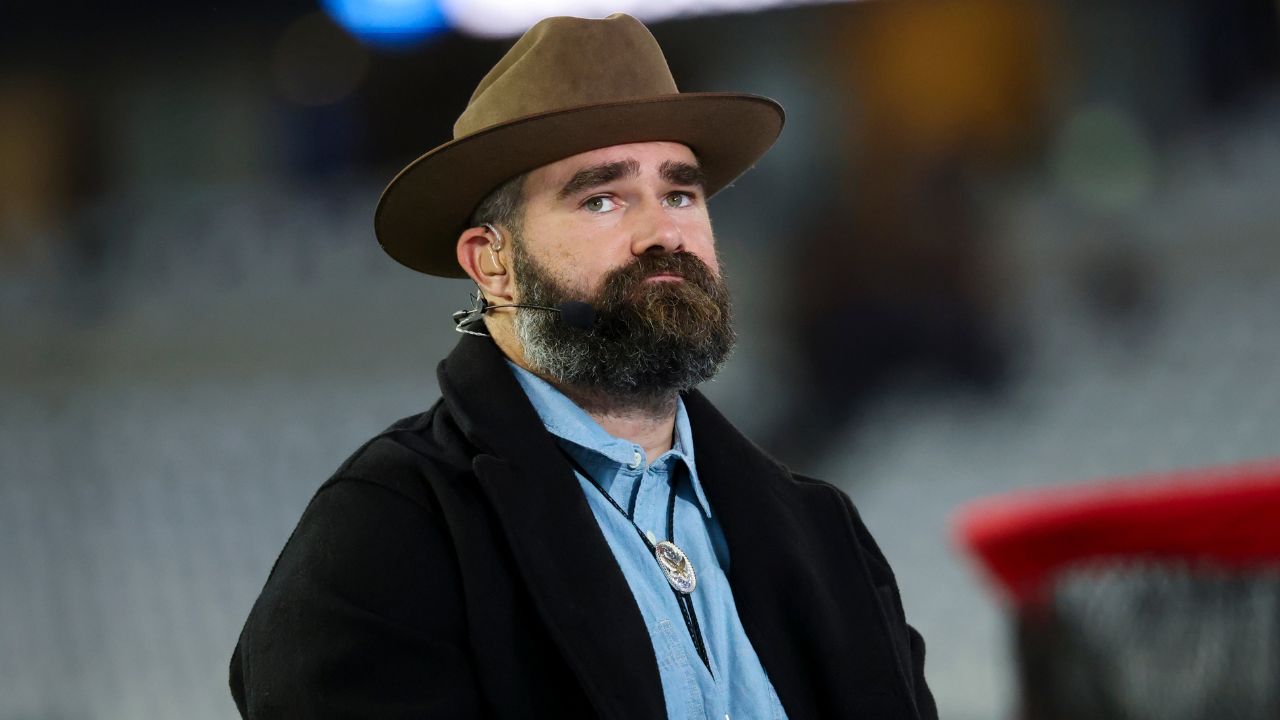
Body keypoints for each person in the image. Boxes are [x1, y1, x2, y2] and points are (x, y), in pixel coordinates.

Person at [230, 13, 936, 719]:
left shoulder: (825, 533)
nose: (664, 231)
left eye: (681, 193)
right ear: (493, 264)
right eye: (602, 198)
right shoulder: (387, 535)